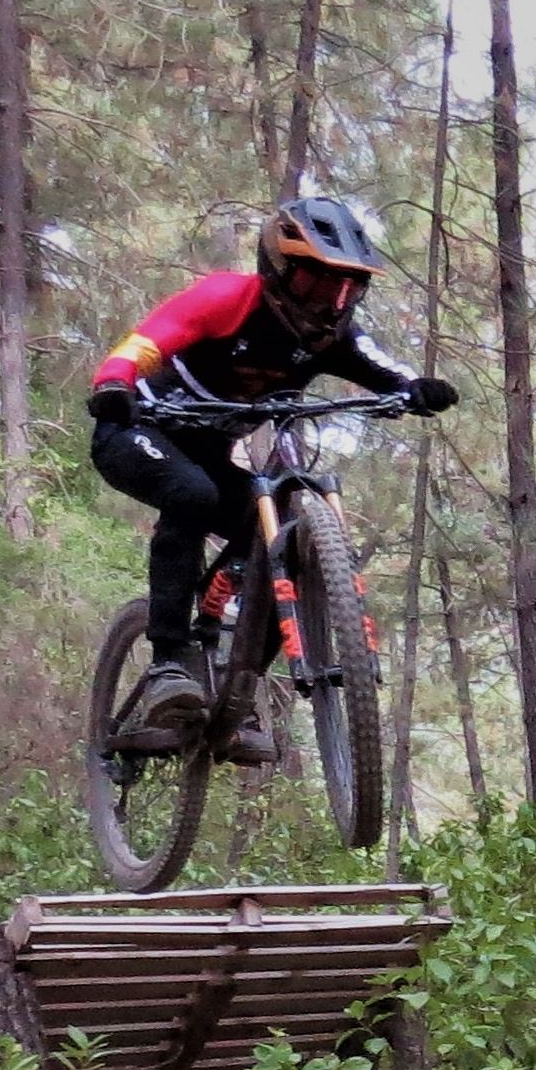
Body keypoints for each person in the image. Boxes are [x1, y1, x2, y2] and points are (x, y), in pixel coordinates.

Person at [85, 196, 458, 759]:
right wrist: (113, 383)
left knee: (269, 532)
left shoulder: (332, 337)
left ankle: (234, 691)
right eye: (316, 284)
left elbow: (386, 369)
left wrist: (415, 389)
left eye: (346, 289)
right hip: (135, 431)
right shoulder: (226, 298)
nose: (330, 302)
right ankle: (167, 661)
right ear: (278, 271)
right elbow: (146, 342)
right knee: (191, 493)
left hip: (207, 450)